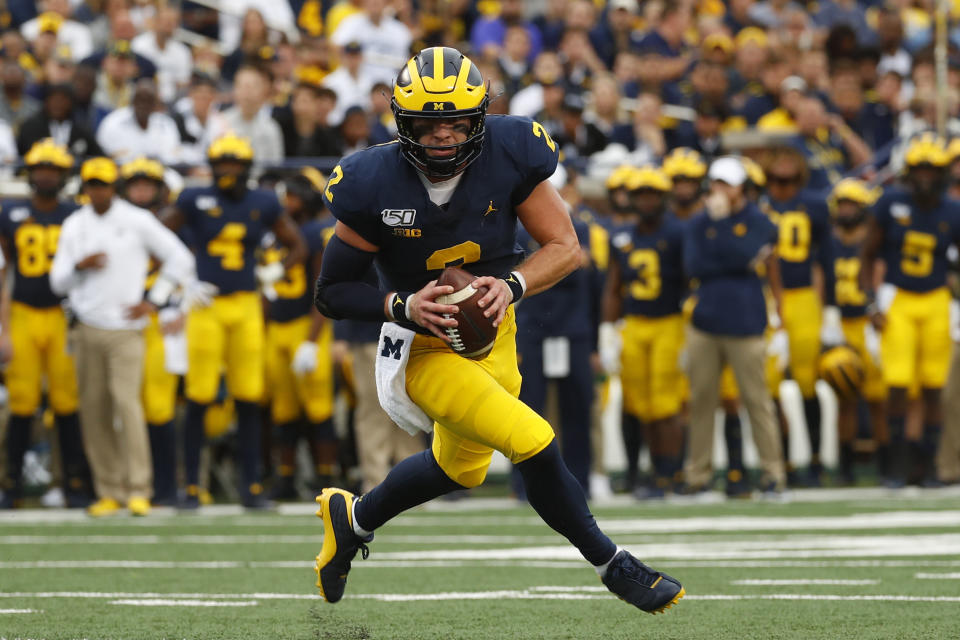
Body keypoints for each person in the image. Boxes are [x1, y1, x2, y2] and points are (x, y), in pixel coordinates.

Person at [312, 46, 683, 613]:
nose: (442, 136)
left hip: (493, 330)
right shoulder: (370, 180)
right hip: (421, 346)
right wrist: (403, 305)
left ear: (479, 118)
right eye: (427, 124)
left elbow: (565, 247)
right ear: (402, 122)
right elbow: (331, 292)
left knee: (459, 468)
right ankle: (615, 565)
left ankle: (354, 519)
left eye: (456, 121)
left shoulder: (512, 151)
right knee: (531, 438)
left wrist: (511, 285)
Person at [162, 134, 307, 509]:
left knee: (247, 397)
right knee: (198, 396)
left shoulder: (262, 201)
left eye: (235, 165)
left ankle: (251, 487)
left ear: (247, 168)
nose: (229, 172)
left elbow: (298, 245)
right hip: (206, 305)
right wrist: (183, 277)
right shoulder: (194, 198)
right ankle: (191, 486)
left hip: (245, 305)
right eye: (222, 164)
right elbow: (160, 235)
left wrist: (272, 273)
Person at [49, 157, 195, 517]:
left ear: (113, 186)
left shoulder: (136, 220)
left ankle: (138, 488)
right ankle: (109, 489)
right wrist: (79, 266)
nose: (98, 191)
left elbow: (180, 258)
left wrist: (153, 301)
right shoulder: (74, 225)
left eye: (103, 184)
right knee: (94, 408)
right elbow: (56, 281)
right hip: (86, 326)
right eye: (92, 184)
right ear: (84, 188)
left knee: (127, 404)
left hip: (126, 329)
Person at [682, 157, 787, 496]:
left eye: (726, 183)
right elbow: (694, 265)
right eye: (715, 182)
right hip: (705, 322)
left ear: (742, 187)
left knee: (758, 401)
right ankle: (698, 476)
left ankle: (773, 475)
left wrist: (722, 227)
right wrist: (727, 250)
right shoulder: (699, 222)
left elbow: (745, 255)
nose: (718, 190)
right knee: (701, 402)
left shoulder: (759, 220)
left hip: (745, 322)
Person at [861, 134, 960, 486]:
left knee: (935, 386)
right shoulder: (890, 203)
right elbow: (868, 253)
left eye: (932, 170)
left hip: (936, 299)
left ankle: (928, 464)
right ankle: (897, 464)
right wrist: (870, 301)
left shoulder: (953, 209)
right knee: (898, 384)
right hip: (898, 298)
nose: (925, 177)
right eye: (919, 169)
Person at [0, 139, 90, 509]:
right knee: (22, 402)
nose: (46, 175)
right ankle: (11, 485)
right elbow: (3, 269)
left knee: (67, 402)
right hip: (22, 312)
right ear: (31, 173)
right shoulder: (10, 212)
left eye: (53, 170)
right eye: (41, 169)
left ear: (64, 174)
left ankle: (74, 483)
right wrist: (3, 328)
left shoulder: (76, 214)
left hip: (61, 315)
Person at [600, 166, 686, 498]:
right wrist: (608, 329)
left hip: (669, 321)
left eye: (652, 195)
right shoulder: (623, 237)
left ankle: (669, 472)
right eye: (640, 195)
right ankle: (651, 473)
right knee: (639, 405)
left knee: (666, 405)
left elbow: (691, 281)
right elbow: (613, 286)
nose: (646, 202)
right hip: (634, 323)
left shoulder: (678, 233)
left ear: (663, 198)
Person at [759, 145, 832, 486]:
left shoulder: (815, 205)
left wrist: (826, 307)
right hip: (768, 297)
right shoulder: (759, 205)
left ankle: (816, 459)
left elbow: (822, 259)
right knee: (771, 383)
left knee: (806, 379)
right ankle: (782, 460)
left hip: (803, 295)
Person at [264, 168, 338, 499]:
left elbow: (323, 289)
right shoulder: (272, 230)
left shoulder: (315, 232)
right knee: (284, 410)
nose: (286, 200)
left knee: (319, 408)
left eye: (293, 194)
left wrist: (311, 339)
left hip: (306, 328)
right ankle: (286, 479)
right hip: (275, 328)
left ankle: (327, 478)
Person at [119, 156, 182, 505]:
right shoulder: (110, 222)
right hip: (121, 321)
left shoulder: (172, 223)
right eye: (135, 184)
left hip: (161, 320)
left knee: (158, 406)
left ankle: (165, 486)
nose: (141, 191)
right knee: (125, 405)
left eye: (148, 184)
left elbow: (188, 269)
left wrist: (169, 304)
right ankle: (127, 485)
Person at [820, 178, 889, 484]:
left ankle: (885, 462)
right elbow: (820, 277)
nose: (846, 211)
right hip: (841, 323)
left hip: (866, 323)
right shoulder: (829, 241)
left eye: (852, 205)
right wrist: (827, 316)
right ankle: (845, 466)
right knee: (843, 396)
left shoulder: (871, 241)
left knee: (878, 398)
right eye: (842, 204)